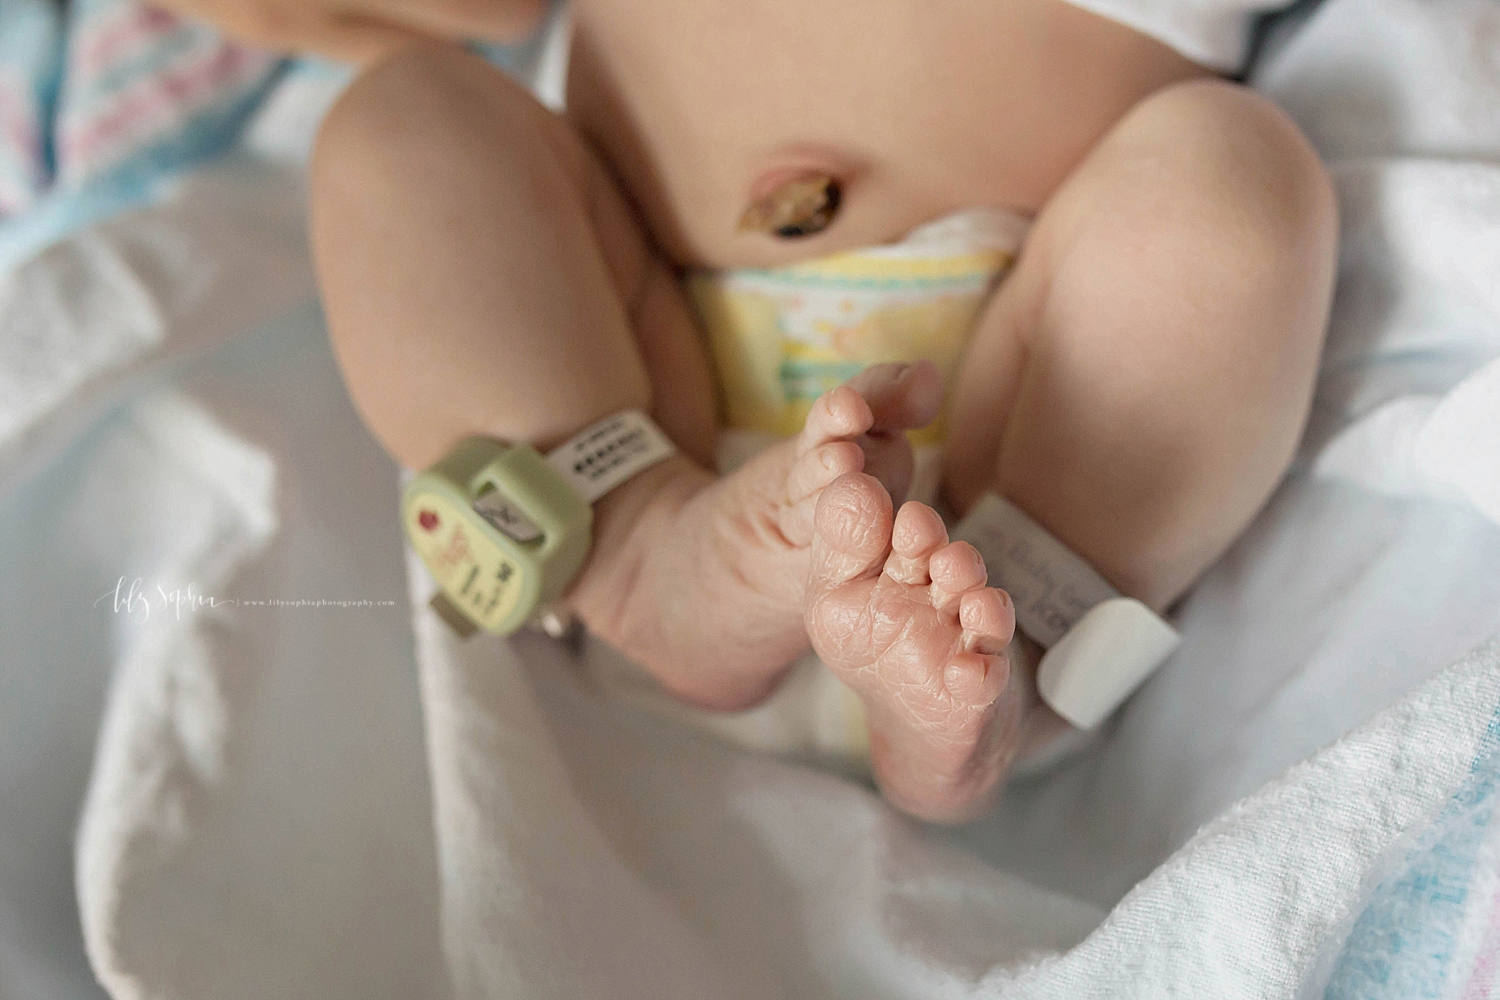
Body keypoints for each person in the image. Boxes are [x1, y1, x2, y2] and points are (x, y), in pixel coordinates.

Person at [163, 0, 1337, 821]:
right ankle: (635, 551)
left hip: (1035, 404)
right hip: (627, 364)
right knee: (406, 118)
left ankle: (1004, 671)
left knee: (1234, 188)